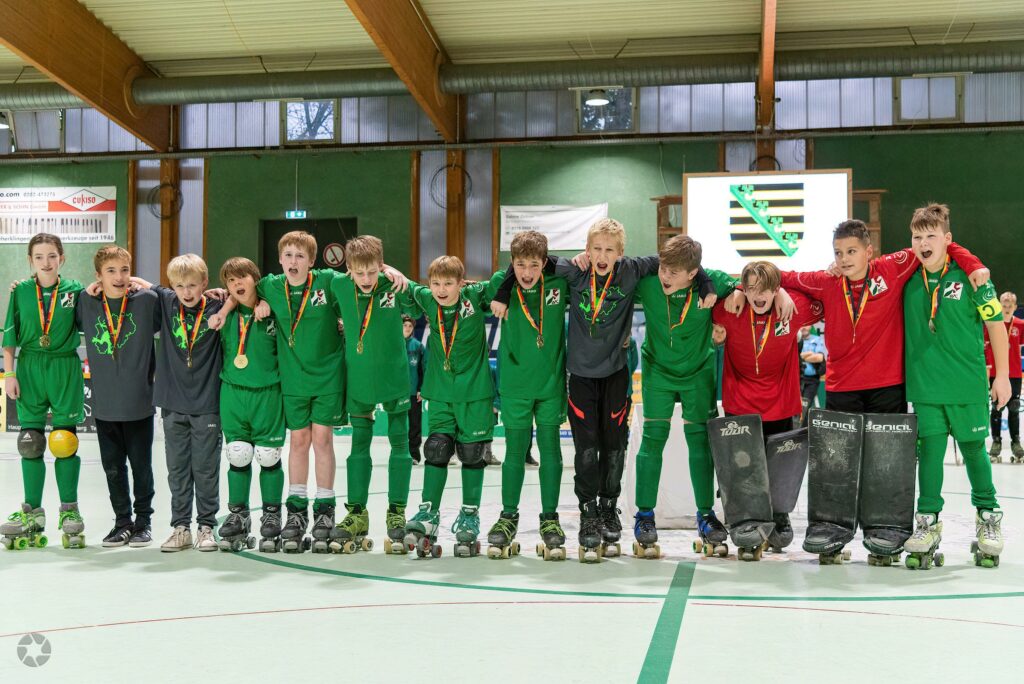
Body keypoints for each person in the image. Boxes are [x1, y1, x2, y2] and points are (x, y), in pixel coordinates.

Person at [492, 219, 713, 561]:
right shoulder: (574, 271)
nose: (602, 255)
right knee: (586, 449)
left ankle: (609, 508)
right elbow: (530, 258)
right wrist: (504, 290)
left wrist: (707, 281)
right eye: (596, 248)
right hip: (581, 378)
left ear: (620, 253)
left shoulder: (632, 270)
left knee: (614, 448)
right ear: (587, 249)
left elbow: (680, 262)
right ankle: (588, 512)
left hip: (616, 376)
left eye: (609, 250)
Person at [768, 218, 986, 557]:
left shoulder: (892, 268)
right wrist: (778, 289)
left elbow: (934, 245)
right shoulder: (827, 281)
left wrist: (972, 263)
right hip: (842, 387)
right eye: (838, 252)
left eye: (851, 251)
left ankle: (887, 526)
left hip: (887, 386)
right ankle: (831, 527)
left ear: (869, 251)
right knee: (836, 463)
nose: (844, 259)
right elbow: (779, 275)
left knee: (888, 462)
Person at [213, 231, 345, 553]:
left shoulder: (328, 281)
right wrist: (226, 308)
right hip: (293, 380)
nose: (293, 261)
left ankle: (325, 511)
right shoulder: (271, 286)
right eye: (288, 255)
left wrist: (388, 270)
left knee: (322, 440)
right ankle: (296, 512)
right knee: (298, 442)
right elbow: (239, 291)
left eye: (300, 256)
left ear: (311, 261)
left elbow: (359, 279)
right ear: (279, 259)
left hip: (327, 378)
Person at [901, 203, 1009, 568]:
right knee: (930, 454)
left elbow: (996, 325)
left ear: (947, 239)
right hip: (926, 388)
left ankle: (988, 516)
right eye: (917, 237)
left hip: (967, 385)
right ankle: (927, 521)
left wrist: (1002, 376)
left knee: (975, 451)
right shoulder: (907, 278)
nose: (923, 243)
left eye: (931, 236)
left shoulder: (973, 278)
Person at [630, 235, 735, 558]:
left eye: (674, 272)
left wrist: (737, 293)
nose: (665, 276)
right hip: (657, 370)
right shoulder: (648, 282)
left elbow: (744, 284)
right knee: (653, 439)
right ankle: (644, 515)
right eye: (663, 268)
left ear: (693, 273)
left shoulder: (713, 280)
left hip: (698, 371)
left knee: (699, 442)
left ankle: (706, 515)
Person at [713, 260, 823, 550]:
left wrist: (785, 290)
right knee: (743, 465)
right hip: (740, 400)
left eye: (765, 289)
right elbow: (706, 284)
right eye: (751, 288)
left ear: (775, 289)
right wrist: (736, 289)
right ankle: (743, 516)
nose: (757, 295)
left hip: (779, 401)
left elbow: (824, 294)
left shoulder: (792, 307)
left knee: (780, 465)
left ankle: (779, 513)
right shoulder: (731, 308)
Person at [130, 255, 225, 552]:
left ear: (205, 283)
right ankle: (180, 528)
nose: (187, 292)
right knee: (178, 469)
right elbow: (143, 284)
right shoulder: (167, 300)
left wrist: (227, 294)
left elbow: (243, 294)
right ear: (173, 286)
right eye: (180, 286)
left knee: (206, 469)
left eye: (193, 285)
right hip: (172, 402)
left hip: (207, 403)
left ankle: (206, 527)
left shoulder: (217, 306)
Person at [483, 230, 569, 560]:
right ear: (512, 265)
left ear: (545, 263)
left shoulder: (560, 283)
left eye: (534, 264)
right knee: (514, 453)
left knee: (551, 452)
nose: (527, 272)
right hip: (515, 386)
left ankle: (550, 518)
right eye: (520, 265)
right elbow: (458, 290)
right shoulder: (499, 284)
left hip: (550, 385)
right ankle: (508, 516)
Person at [404, 256, 496, 558]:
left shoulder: (475, 297)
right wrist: (384, 269)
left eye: (448, 283)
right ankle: (428, 512)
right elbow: (403, 284)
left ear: (461, 283)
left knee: (472, 452)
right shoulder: (428, 300)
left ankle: (469, 514)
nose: (441, 290)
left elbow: (504, 278)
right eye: (436, 283)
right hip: (441, 392)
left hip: (474, 392)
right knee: (437, 449)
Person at [1, 234, 87, 551]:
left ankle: (69, 510)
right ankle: (31, 512)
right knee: (30, 442)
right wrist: (9, 373)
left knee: (64, 442)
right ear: (30, 260)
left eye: (52, 256)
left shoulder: (76, 291)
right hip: (30, 367)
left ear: (61, 258)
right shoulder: (21, 291)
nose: (46, 262)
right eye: (39, 257)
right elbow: (9, 336)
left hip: (64, 366)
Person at [330, 235, 414, 555]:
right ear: (349, 269)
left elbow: (419, 306)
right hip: (359, 378)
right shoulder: (338, 285)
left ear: (381, 266)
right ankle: (356, 513)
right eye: (359, 272)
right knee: (358, 445)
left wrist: (401, 278)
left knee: (400, 444)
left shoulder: (394, 285)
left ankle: (397, 512)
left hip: (395, 376)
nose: (366, 279)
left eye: (372, 271)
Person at [78, 246, 158, 548]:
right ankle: (122, 521)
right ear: (98, 275)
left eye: (124, 270)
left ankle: (143, 522)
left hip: (139, 404)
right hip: (105, 406)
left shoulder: (146, 301)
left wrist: (150, 285)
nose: (120, 277)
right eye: (111, 271)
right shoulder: (86, 302)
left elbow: (179, 301)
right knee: (113, 469)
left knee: (141, 468)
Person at [213, 257, 286, 553]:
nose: (237, 284)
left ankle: (272, 514)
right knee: (238, 454)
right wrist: (224, 307)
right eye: (231, 281)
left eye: (242, 277)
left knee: (268, 456)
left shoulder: (273, 310)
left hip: (267, 393)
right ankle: (238, 514)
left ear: (255, 279)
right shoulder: (224, 313)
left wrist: (266, 302)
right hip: (233, 393)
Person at [984, 291, 1024, 462]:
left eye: (1010, 306)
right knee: (996, 408)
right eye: (1004, 305)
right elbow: (985, 348)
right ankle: (996, 442)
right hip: (996, 374)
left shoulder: (1020, 324)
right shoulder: (993, 324)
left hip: (1014, 374)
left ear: (1015, 307)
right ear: (999, 306)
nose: (1007, 308)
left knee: (1014, 408)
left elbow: (1019, 348)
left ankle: (1016, 442)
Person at [403, 314, 425, 464]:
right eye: (405, 325)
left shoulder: (418, 346)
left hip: (413, 393)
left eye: (410, 326)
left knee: (415, 425)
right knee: (398, 425)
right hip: (398, 393)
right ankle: (398, 452)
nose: (407, 328)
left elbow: (423, 369)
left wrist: (421, 389)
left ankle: (414, 455)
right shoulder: (394, 344)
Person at [798, 325, 826, 426]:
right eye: (802, 325)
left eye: (806, 325)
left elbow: (819, 358)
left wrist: (800, 356)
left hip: (812, 380)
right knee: (795, 407)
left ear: (811, 326)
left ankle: (803, 430)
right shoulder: (796, 340)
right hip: (797, 380)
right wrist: (810, 353)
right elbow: (792, 357)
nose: (804, 327)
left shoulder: (817, 339)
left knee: (805, 406)